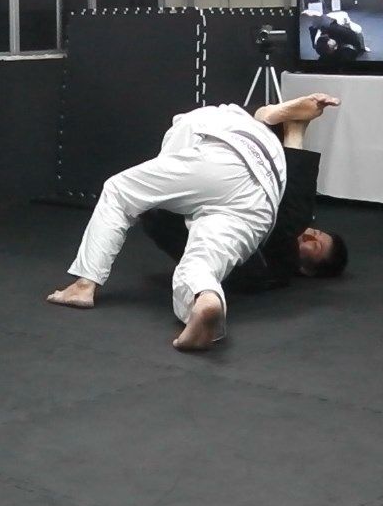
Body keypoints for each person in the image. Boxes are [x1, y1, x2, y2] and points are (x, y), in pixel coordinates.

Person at [46, 94, 347, 351]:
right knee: (201, 266)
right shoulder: (275, 251)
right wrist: (294, 128)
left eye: (315, 245)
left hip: (235, 148)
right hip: (259, 200)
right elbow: (296, 188)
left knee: (119, 191)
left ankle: (85, 284)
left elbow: (297, 196)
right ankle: (206, 298)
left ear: (307, 270)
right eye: (316, 234)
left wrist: (294, 126)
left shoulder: (282, 252)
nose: (310, 236)